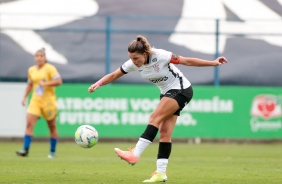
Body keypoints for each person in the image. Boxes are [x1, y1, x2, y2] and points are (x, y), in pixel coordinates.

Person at [88, 35, 227, 182]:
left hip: (181, 89)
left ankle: (135, 154)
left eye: (136, 58)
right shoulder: (133, 64)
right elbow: (115, 74)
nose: (134, 62)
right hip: (167, 92)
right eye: (131, 58)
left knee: (154, 118)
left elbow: (186, 61)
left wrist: (213, 63)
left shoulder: (161, 56)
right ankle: (161, 173)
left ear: (145, 54)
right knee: (165, 133)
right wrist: (99, 83)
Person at [16, 48, 62, 158]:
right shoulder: (31, 70)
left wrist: (46, 84)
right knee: (29, 124)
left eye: (41, 56)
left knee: (52, 126)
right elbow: (30, 84)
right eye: (37, 56)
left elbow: (59, 81)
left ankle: (52, 151)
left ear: (45, 58)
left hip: (48, 102)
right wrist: (24, 97)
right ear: (34, 58)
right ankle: (25, 149)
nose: (39, 58)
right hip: (35, 101)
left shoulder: (50, 69)